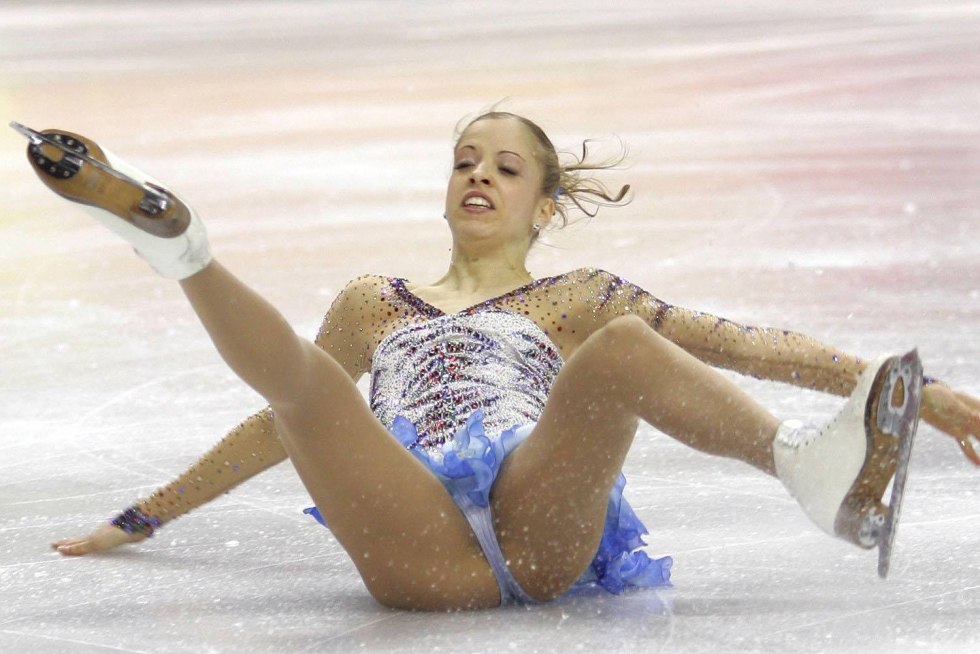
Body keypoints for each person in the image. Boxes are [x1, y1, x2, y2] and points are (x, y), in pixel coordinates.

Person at [17, 113, 979, 611]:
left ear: (544, 205)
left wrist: (919, 395)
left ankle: (810, 470)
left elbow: (741, 343)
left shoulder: (577, 297)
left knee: (625, 346)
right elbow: (279, 426)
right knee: (308, 388)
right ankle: (180, 247)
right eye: (465, 160)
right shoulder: (372, 302)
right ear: (446, 189)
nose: (479, 172)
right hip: (414, 543)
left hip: (540, 525)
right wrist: (142, 516)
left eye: (507, 167)